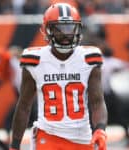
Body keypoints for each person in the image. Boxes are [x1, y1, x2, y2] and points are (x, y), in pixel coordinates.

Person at [9, 3, 108, 150]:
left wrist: (100, 129)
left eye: (70, 28)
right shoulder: (35, 59)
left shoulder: (89, 58)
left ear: (78, 28)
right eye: (60, 28)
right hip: (48, 135)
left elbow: (97, 101)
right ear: (47, 30)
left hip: (82, 137)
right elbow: (24, 106)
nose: (66, 34)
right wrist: (15, 145)